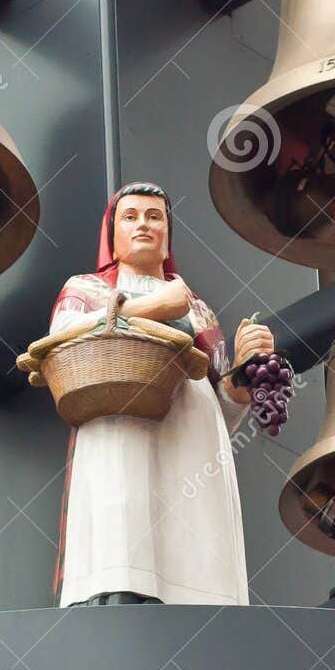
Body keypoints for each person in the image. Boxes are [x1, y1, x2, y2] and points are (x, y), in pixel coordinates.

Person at [48, 181, 274, 606]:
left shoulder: (198, 309)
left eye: (155, 217)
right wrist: (153, 308)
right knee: (125, 527)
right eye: (130, 216)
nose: (143, 225)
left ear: (168, 234)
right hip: (120, 425)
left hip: (192, 441)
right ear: (110, 235)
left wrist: (243, 375)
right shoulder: (85, 290)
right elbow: (60, 344)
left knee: (198, 550)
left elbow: (221, 403)